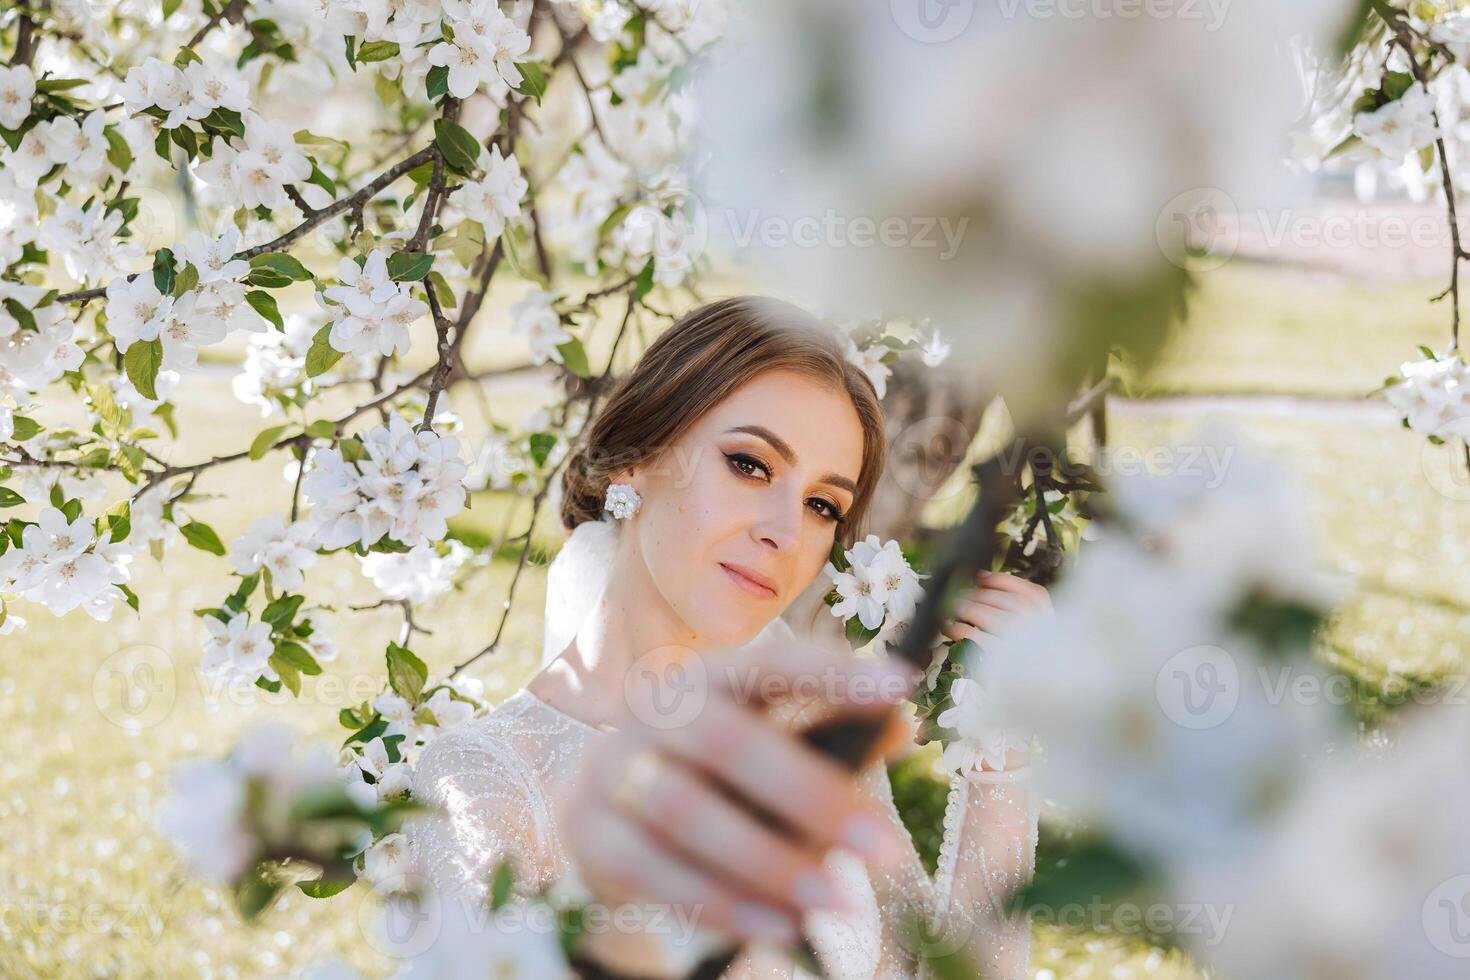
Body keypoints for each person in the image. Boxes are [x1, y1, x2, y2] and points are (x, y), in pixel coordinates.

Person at [409, 296, 1047, 978]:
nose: (785, 530)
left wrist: (999, 757)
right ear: (635, 460)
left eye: (822, 505)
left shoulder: (806, 725)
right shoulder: (483, 784)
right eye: (750, 464)